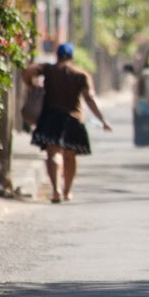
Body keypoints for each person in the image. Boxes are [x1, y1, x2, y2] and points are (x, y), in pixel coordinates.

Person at [23, 43, 113, 203]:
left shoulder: (48, 69)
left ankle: (56, 191)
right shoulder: (80, 74)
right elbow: (89, 98)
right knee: (70, 156)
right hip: (73, 118)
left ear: (57, 56)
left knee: (53, 153)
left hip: (50, 116)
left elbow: (28, 71)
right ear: (72, 57)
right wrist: (102, 120)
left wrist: (30, 85)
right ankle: (67, 191)